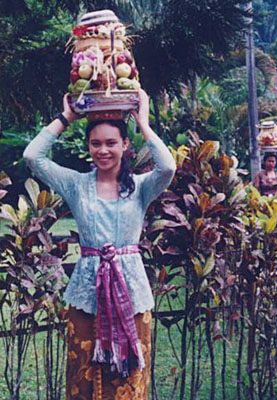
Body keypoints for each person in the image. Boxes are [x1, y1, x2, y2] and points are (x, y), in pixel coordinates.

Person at [23, 89, 176, 400]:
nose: (103, 150)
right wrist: (66, 118)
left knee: (129, 376)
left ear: (125, 145)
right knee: (84, 369)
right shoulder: (76, 185)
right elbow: (32, 156)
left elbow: (168, 167)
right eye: (96, 143)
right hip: (87, 291)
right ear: (88, 147)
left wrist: (143, 123)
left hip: (129, 291)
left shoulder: (141, 187)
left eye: (111, 143)